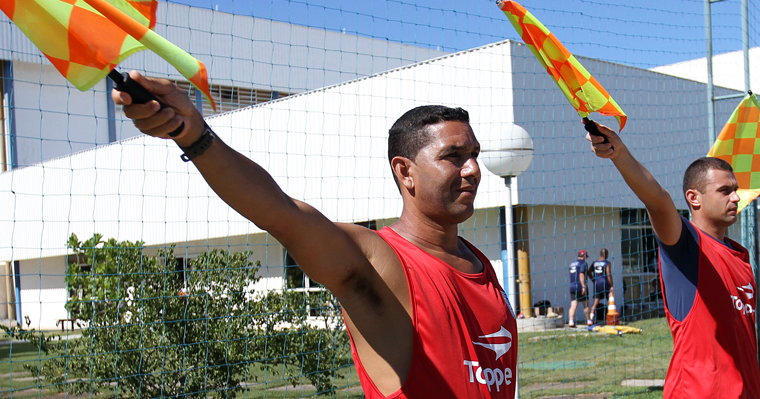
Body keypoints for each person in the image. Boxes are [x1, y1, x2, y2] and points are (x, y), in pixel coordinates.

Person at [112, 72, 517, 398]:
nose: (472, 169)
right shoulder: (380, 263)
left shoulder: (477, 261)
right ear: (405, 171)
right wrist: (194, 134)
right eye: (453, 157)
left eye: (474, 155)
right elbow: (281, 214)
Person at [587, 120, 760, 398]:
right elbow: (657, 201)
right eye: (725, 191)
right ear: (694, 198)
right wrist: (619, 153)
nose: (736, 197)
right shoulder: (686, 244)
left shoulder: (740, 255)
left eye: (735, 189)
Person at [587, 248, 614, 324]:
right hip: (605, 283)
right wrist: (611, 285)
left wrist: (593, 280)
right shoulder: (607, 263)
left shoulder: (594, 263)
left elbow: (589, 272)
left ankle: (590, 319)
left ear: (600, 254)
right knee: (610, 301)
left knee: (596, 302)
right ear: (607, 254)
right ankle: (610, 319)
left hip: (597, 283)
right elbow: (608, 274)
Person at [567, 249, 591, 327]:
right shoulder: (583, 263)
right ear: (584, 256)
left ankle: (571, 322)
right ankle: (589, 320)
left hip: (572, 286)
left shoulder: (572, 264)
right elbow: (581, 274)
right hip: (580, 286)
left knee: (573, 305)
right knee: (586, 304)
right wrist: (583, 286)